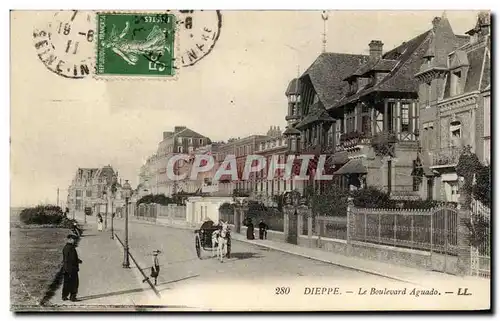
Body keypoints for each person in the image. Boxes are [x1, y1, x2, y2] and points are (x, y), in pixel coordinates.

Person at [62, 235, 82, 302]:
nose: (75, 241)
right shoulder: (71, 248)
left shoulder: (65, 247)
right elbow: (72, 259)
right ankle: (73, 297)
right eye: (73, 240)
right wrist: (78, 261)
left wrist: (77, 260)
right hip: (72, 269)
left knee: (66, 283)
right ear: (69, 239)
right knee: (74, 283)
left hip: (66, 268)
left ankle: (64, 296)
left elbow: (67, 258)